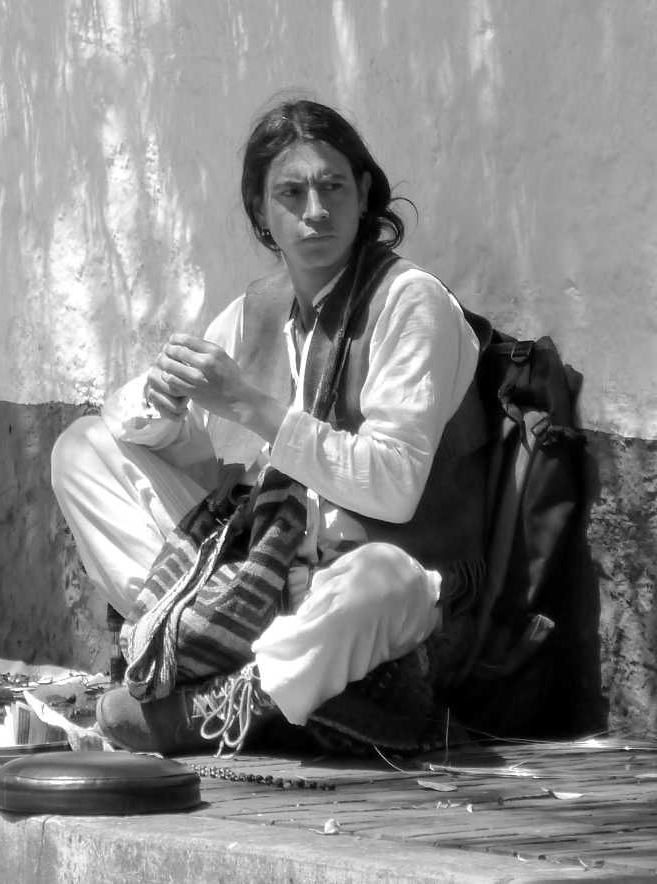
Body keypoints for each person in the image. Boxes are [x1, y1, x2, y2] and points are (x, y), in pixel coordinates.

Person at [52, 97, 489, 756]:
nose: (315, 210)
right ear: (262, 213)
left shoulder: (410, 302)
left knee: (373, 587)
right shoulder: (255, 313)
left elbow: (395, 486)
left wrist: (251, 405)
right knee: (80, 448)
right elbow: (174, 438)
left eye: (333, 186)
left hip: (385, 581)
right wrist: (163, 399)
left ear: (363, 192)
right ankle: (243, 675)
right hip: (259, 586)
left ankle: (221, 703)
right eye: (291, 192)